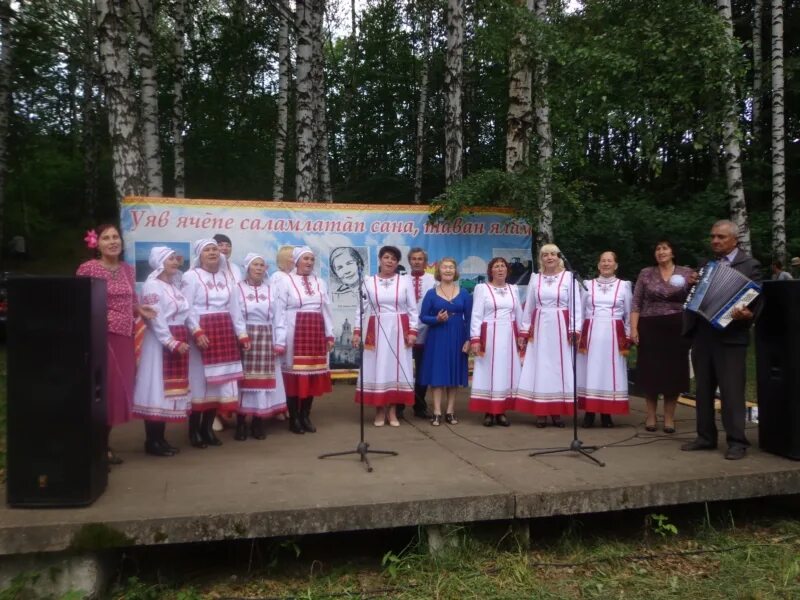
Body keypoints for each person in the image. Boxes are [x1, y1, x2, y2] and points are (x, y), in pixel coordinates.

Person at [681, 220, 762, 460]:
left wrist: (748, 315)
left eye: (721, 237)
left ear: (734, 239)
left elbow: (756, 301)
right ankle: (705, 437)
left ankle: (737, 441)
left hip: (731, 337)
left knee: (731, 391)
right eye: (713, 236)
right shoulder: (706, 265)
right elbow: (695, 300)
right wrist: (691, 286)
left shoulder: (750, 265)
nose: (715, 241)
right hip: (704, 334)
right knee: (703, 390)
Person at [77, 224, 154, 465]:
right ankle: (95, 447)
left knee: (119, 392)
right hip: (100, 337)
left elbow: (131, 302)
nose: (112, 241)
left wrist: (140, 309)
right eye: (106, 238)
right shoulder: (88, 269)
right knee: (103, 390)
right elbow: (79, 302)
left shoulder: (127, 270)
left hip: (125, 337)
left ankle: (103, 443)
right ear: (96, 244)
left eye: (115, 237)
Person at [181, 239, 250, 448]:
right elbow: (187, 307)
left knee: (218, 384)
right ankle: (194, 431)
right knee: (200, 382)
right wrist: (196, 330)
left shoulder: (227, 277)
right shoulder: (190, 277)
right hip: (202, 334)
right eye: (207, 250)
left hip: (224, 331)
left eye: (214, 249)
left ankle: (207, 429)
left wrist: (242, 334)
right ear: (199, 255)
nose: (212, 252)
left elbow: (235, 308)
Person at [133, 246, 196, 456]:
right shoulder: (152, 286)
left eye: (176, 259)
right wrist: (170, 342)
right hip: (160, 343)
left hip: (176, 336)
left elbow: (185, 312)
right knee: (157, 390)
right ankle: (152, 441)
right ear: (160, 262)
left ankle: (160, 439)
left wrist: (193, 331)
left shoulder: (172, 285)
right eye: (170, 259)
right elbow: (155, 319)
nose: (176, 262)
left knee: (167, 392)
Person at [630, 240, 693, 433]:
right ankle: (650, 416)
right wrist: (634, 328)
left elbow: (696, 298)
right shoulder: (646, 273)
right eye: (657, 248)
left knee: (673, 372)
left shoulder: (687, 274)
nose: (661, 252)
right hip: (649, 325)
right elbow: (636, 302)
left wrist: (694, 284)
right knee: (651, 371)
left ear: (673, 252)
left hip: (677, 326)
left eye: (665, 248)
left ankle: (669, 418)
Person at [515, 244, 581, 428]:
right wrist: (524, 330)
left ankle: (557, 411)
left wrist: (574, 329)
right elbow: (529, 307)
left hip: (561, 325)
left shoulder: (569, 277)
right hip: (541, 326)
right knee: (541, 367)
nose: (549, 257)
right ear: (541, 259)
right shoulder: (536, 279)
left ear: (558, 257)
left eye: (553, 254)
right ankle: (541, 411)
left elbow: (576, 305)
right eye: (545, 255)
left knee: (559, 367)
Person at [352, 245, 419, 427]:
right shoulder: (368, 281)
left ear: (397, 263)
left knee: (396, 368)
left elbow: (413, 309)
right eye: (387, 257)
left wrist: (412, 331)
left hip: (399, 328)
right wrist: (357, 331)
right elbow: (361, 308)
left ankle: (392, 410)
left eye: (394, 259)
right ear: (380, 259)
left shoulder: (405, 281)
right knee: (377, 368)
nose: (390, 261)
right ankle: (380, 410)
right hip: (375, 328)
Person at [273, 246, 334, 433]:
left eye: (311, 259)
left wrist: (329, 334)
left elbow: (326, 309)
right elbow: (279, 311)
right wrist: (280, 338)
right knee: (294, 375)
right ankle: (294, 417)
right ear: (296, 261)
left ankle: (305, 415)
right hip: (294, 328)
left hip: (315, 329)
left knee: (312, 374)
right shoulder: (286, 281)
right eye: (305, 259)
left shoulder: (320, 282)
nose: (309, 262)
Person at [234, 253, 287, 440]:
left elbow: (279, 317)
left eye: (262, 265)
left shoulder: (272, 290)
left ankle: (258, 422)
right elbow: (235, 315)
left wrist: (280, 341)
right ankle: (241, 422)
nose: (258, 268)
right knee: (245, 382)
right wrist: (241, 335)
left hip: (266, 335)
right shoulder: (238, 289)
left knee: (263, 383)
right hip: (246, 336)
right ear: (247, 267)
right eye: (255, 264)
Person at [578, 251, 633, 428]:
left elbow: (628, 313)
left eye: (609, 261)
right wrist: (577, 333)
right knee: (591, 371)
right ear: (598, 265)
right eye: (603, 261)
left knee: (610, 372)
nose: (606, 264)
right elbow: (579, 311)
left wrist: (628, 335)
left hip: (613, 334)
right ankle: (589, 412)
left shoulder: (624, 286)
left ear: (616, 265)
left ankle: (607, 413)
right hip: (592, 333)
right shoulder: (587, 285)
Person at [468, 257, 525, 427]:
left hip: (508, 334)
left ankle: (501, 411)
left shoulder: (513, 289)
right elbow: (477, 315)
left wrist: (522, 334)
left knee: (505, 372)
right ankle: (489, 411)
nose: (500, 269)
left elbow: (518, 313)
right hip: (490, 334)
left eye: (503, 266)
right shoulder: (482, 289)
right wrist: (475, 338)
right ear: (490, 271)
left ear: (507, 270)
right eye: (496, 266)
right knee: (488, 371)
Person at [418, 258, 472, 426]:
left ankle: (450, 411)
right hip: (437, 335)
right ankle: (436, 412)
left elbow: (470, 319)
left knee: (453, 374)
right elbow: (423, 317)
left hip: (458, 335)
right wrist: (436, 318)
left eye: (451, 267)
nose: (448, 270)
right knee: (438, 374)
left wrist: (469, 339)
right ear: (439, 271)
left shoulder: (464, 293)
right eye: (444, 267)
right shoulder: (431, 293)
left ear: (455, 271)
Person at [405, 247, 435, 419]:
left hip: (427, 330)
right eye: (414, 258)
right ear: (409, 261)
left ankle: (419, 406)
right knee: (402, 370)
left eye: (420, 258)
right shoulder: (401, 280)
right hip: (406, 331)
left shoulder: (432, 280)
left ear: (425, 262)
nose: (417, 261)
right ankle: (399, 406)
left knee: (423, 370)